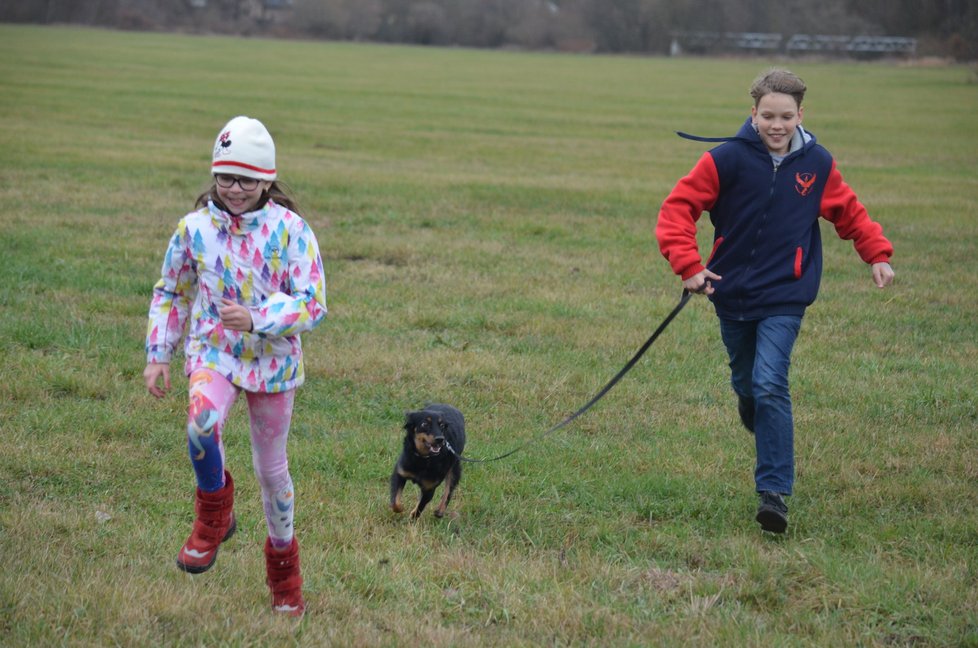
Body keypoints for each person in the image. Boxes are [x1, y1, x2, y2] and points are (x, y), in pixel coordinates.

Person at [655, 69, 894, 534]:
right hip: (730, 291)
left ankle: (774, 494)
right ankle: (755, 413)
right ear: (753, 114)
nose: (777, 125)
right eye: (768, 115)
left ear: (801, 115)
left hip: (786, 292)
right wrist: (689, 266)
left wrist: (876, 255)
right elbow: (677, 209)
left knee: (769, 383)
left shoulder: (817, 164)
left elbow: (849, 212)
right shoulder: (725, 159)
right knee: (747, 383)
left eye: (786, 116)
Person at [144, 116, 327, 615]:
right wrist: (160, 353)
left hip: (274, 364)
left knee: (272, 473)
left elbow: (312, 303)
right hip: (214, 353)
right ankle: (214, 516)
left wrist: (257, 318)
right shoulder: (194, 229)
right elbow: (172, 291)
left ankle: (284, 575)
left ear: (267, 180)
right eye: (225, 177)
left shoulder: (291, 232)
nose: (235, 189)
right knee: (201, 428)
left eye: (247, 179)